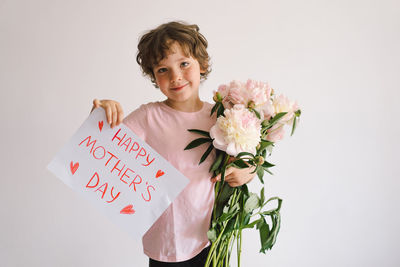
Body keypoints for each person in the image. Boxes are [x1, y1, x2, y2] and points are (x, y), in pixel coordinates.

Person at [91, 21, 255, 267]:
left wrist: (247, 171)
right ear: (154, 77)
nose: (175, 76)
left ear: (202, 65)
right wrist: (103, 112)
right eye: (162, 70)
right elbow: (102, 147)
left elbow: (245, 161)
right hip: (167, 242)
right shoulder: (148, 117)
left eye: (184, 64)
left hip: (213, 238)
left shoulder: (222, 117)